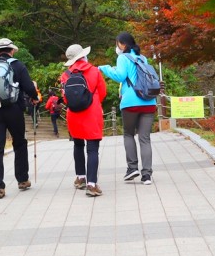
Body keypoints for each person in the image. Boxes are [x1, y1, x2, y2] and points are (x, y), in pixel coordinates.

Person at [0, 38, 40, 199]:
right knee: (19, 143)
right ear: (11, 50)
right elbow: (28, 87)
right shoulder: (17, 65)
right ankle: (22, 180)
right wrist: (34, 98)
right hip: (14, 110)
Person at [100, 32, 157, 185]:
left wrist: (104, 68)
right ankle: (147, 175)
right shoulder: (143, 58)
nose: (116, 47)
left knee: (128, 134)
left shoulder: (123, 57)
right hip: (149, 101)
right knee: (145, 138)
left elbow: (119, 76)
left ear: (122, 44)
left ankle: (132, 168)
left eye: (117, 43)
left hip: (131, 102)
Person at [60, 44, 107, 197]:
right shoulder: (94, 71)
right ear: (83, 56)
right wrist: (92, 102)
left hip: (73, 114)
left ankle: (80, 178)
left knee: (78, 144)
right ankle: (92, 185)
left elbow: (65, 97)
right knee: (92, 149)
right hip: (91, 113)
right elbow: (103, 93)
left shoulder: (65, 75)